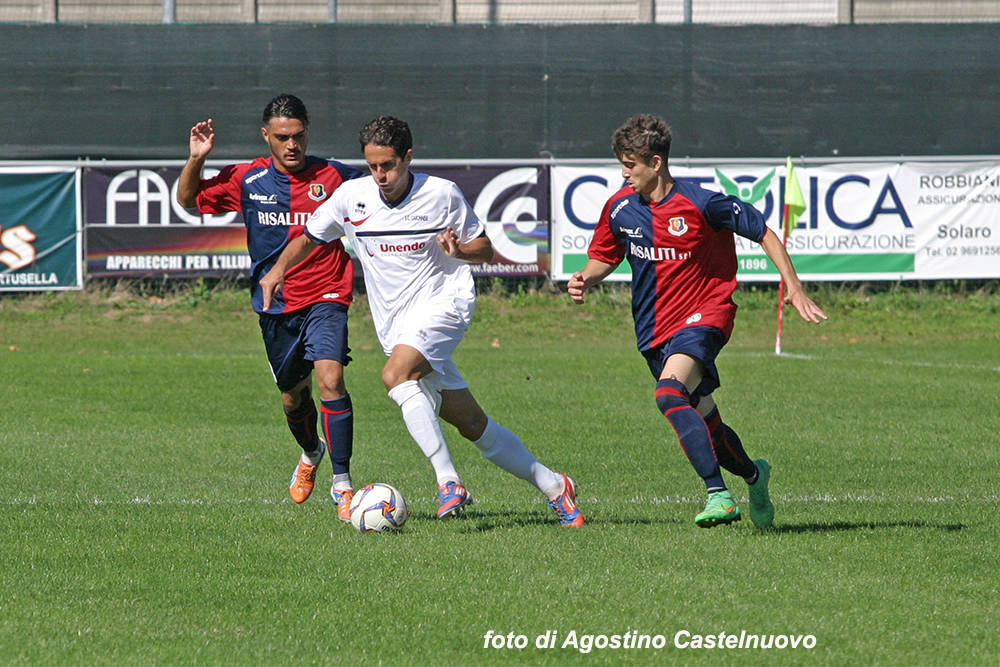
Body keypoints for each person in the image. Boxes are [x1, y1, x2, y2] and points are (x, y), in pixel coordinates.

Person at [260, 115, 583, 527]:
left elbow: (484, 248)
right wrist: (276, 272)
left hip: (445, 305)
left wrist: (460, 252)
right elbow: (310, 236)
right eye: (373, 165)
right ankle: (556, 487)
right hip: (398, 328)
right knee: (473, 425)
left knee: (396, 376)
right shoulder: (351, 197)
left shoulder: (441, 194)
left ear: (408, 158)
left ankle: (449, 482)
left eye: (389, 165)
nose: (381, 175)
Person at [567, 113, 827, 529]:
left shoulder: (702, 202)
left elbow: (763, 231)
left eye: (630, 164)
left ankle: (718, 494)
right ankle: (754, 476)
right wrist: (585, 278)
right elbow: (604, 256)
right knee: (708, 422)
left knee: (668, 394)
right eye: (621, 163)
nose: (624, 173)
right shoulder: (619, 207)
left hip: (706, 314)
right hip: (654, 329)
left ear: (655, 163)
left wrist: (792, 285)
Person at [176, 94, 364, 519]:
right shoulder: (247, 179)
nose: (292, 145)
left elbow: (385, 188)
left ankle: (343, 485)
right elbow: (188, 200)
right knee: (293, 398)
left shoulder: (334, 176)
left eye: (298, 136)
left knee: (331, 379)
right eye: (282, 137)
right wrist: (196, 159)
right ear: (267, 137)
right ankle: (311, 452)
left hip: (327, 294)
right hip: (276, 307)